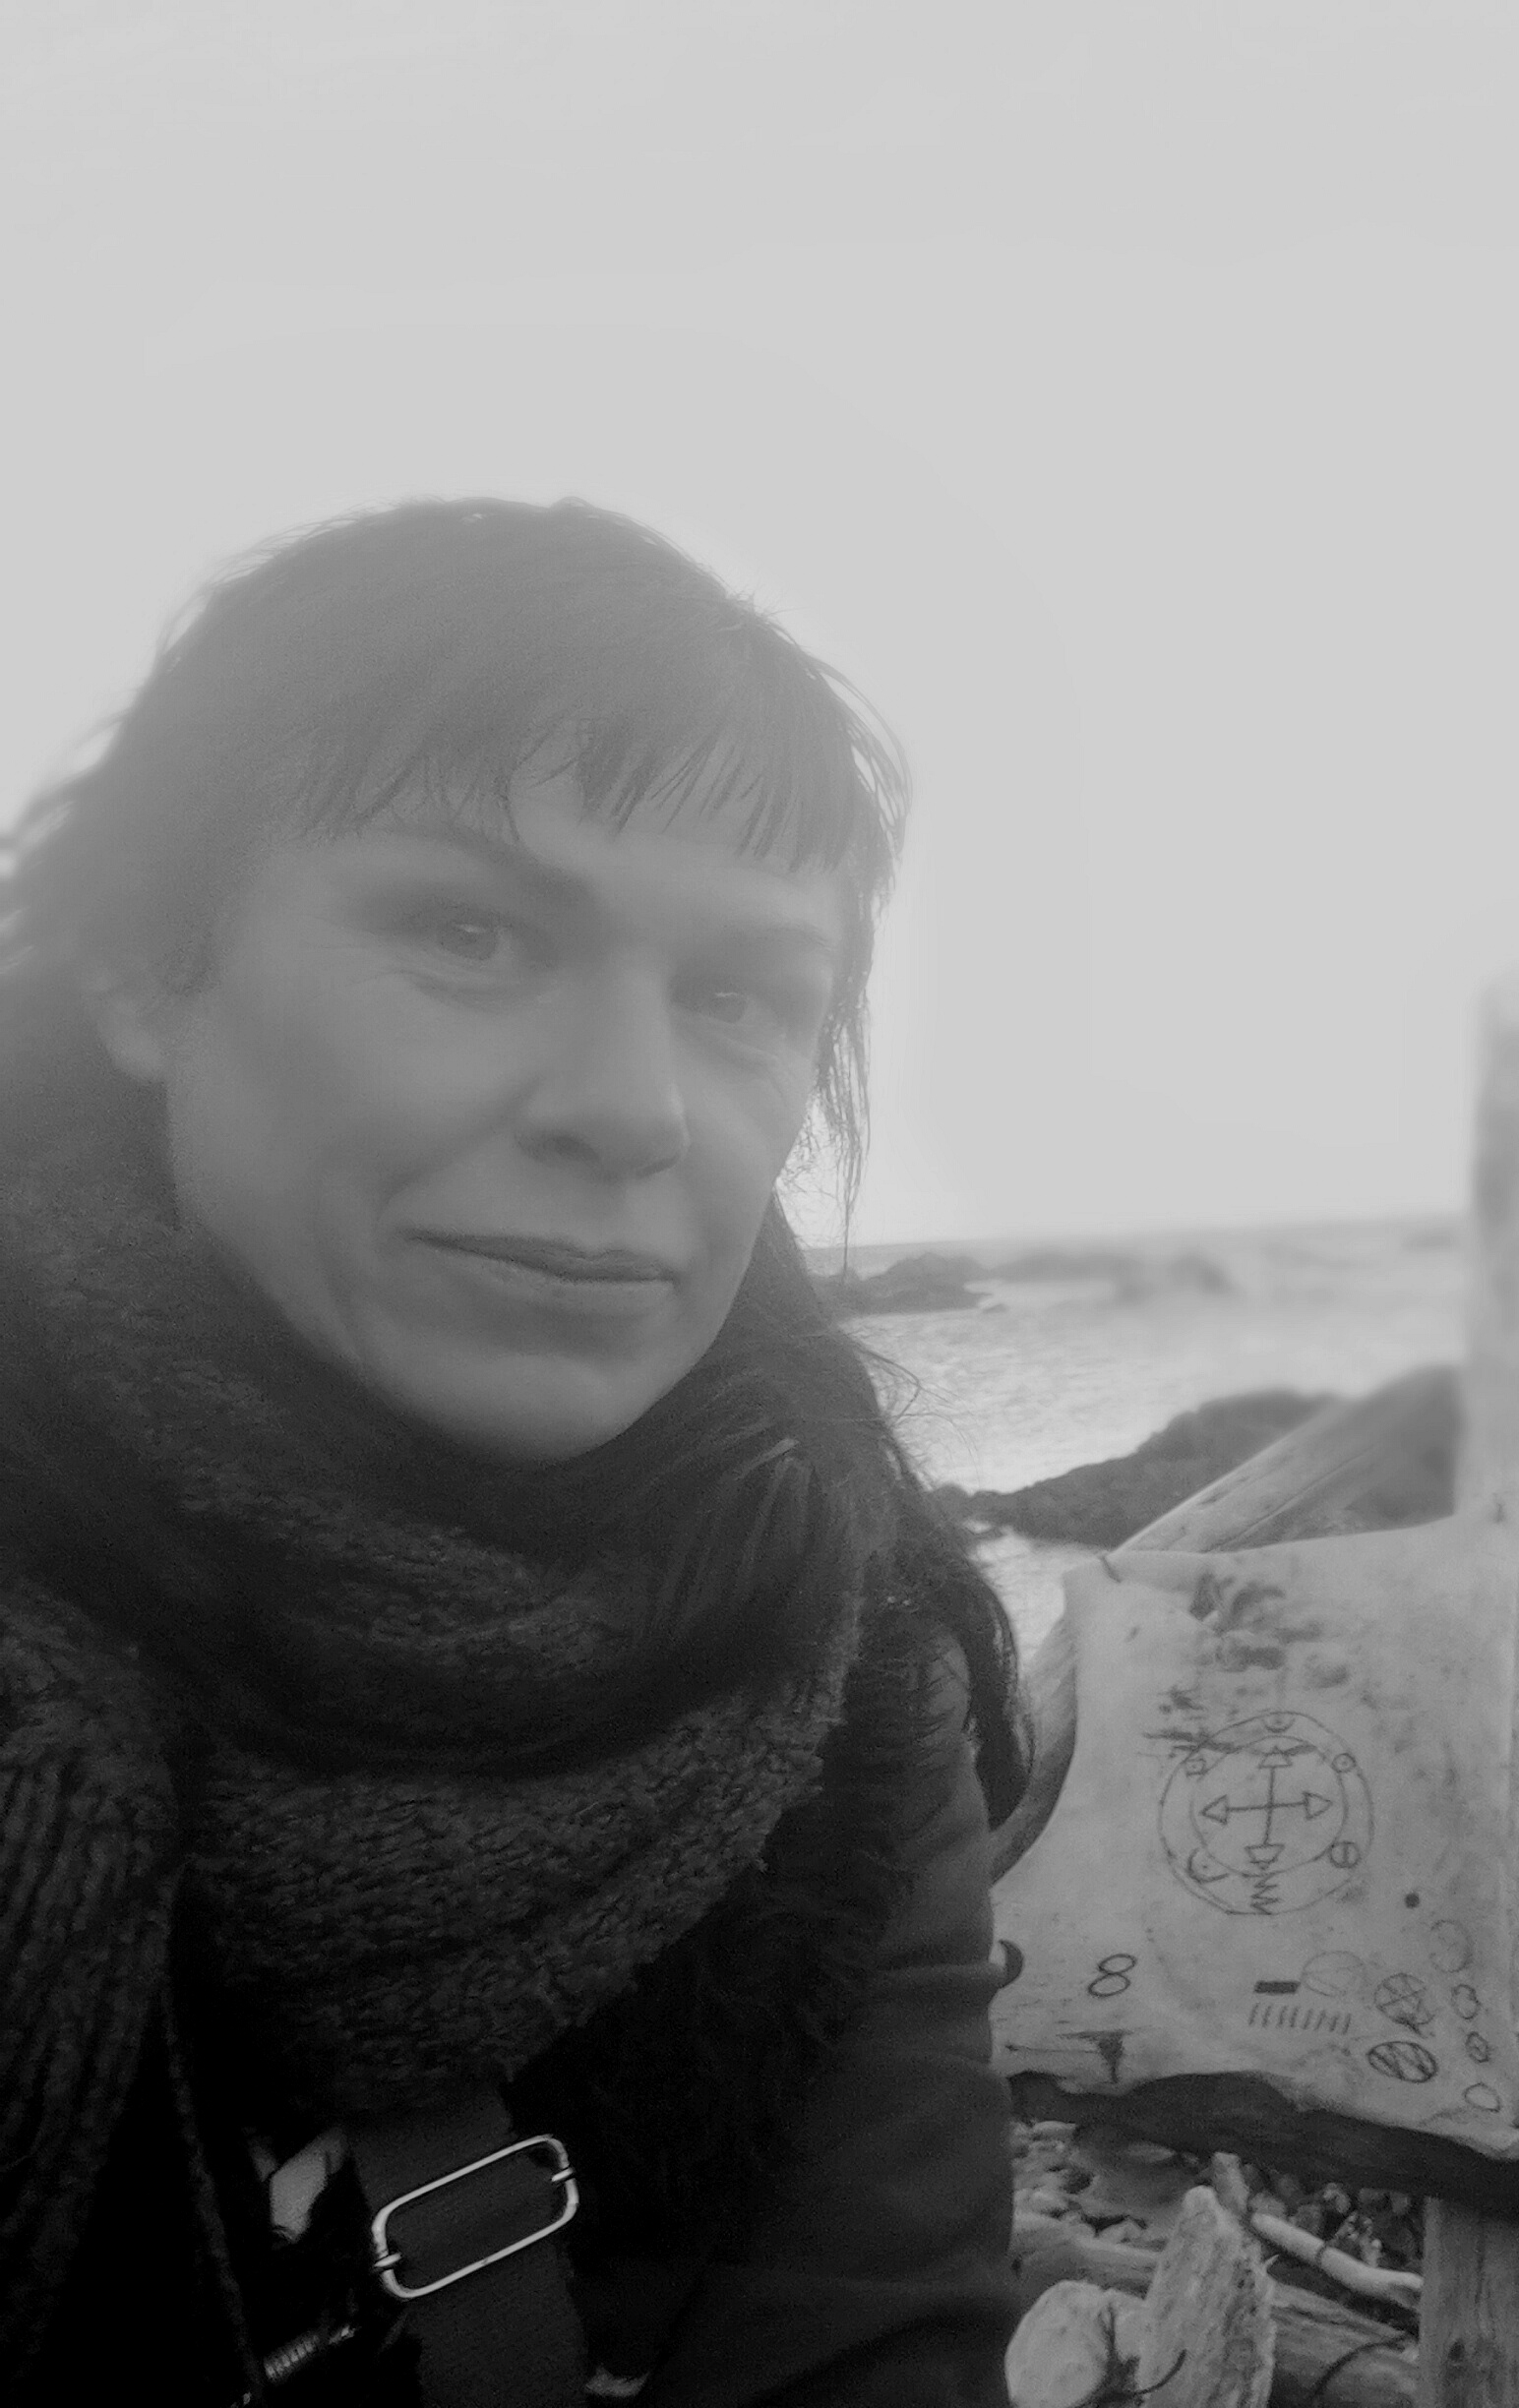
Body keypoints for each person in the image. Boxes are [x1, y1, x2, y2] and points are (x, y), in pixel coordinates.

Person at [0, 499, 1031, 2406]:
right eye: (466, 932)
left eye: (738, 996)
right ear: (151, 969)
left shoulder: (815, 1669)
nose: (632, 1110)